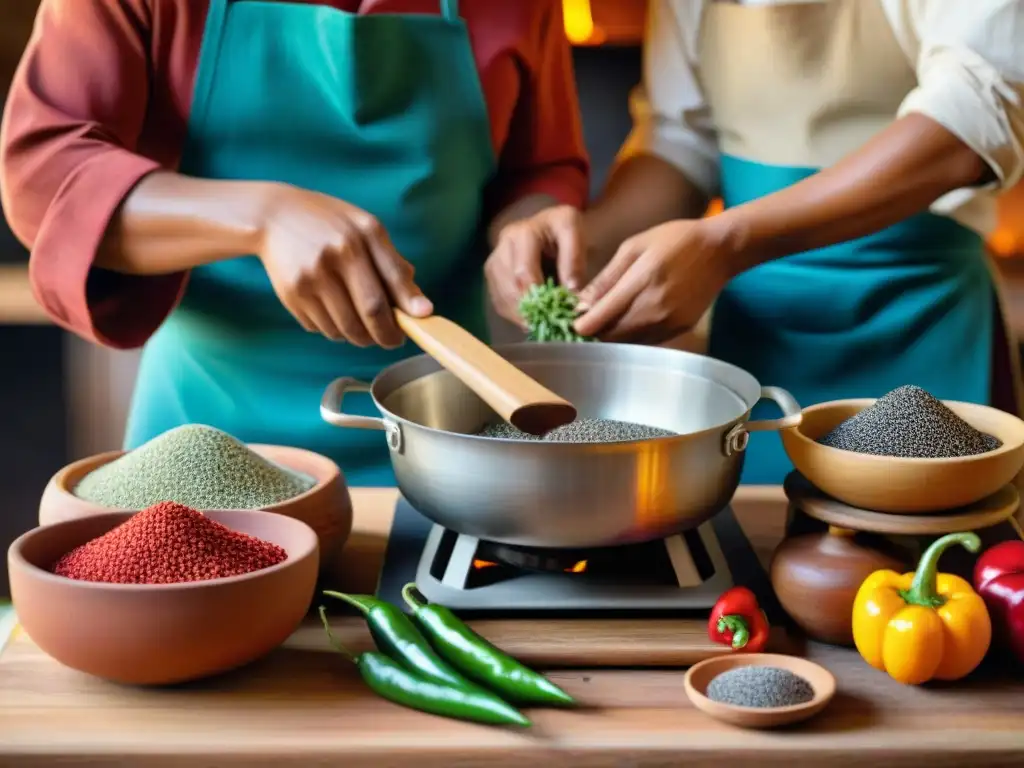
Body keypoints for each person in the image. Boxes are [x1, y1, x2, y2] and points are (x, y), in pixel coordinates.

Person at [0, 0, 589, 486]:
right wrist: (261, 216)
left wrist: (528, 222)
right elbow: (44, 176)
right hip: (206, 433)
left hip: (443, 432)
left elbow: (539, 167)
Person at [517, 0, 1023, 485]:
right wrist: (587, 250)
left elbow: (974, 117)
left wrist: (728, 242)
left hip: (923, 322)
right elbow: (680, 139)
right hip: (756, 351)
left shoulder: (728, 244)